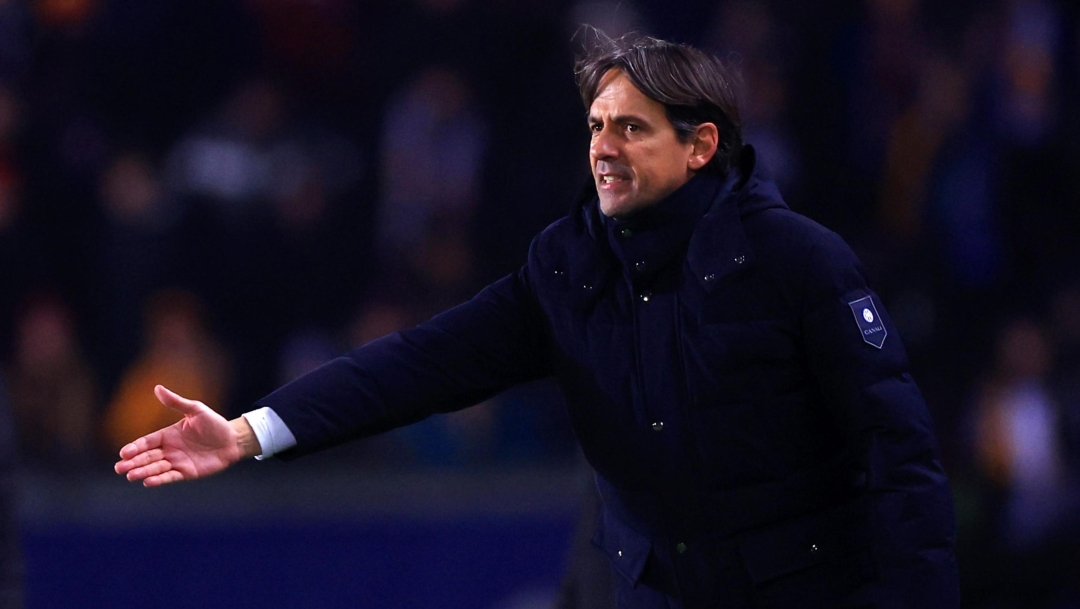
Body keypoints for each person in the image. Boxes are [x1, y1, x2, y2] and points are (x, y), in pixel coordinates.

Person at [115, 34, 959, 608]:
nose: (604, 147)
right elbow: (421, 362)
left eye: (632, 128)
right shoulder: (567, 263)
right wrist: (251, 431)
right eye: (597, 127)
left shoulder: (800, 261)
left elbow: (899, 455)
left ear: (701, 146)